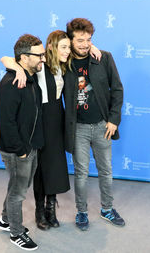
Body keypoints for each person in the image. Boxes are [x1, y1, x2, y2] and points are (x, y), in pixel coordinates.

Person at [0, 30, 101, 231]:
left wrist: (94, 47)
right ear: (51, 48)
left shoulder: (65, 66)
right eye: (63, 47)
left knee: (54, 166)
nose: (68, 50)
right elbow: (6, 58)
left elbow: (83, 52)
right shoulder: (38, 64)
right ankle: (39, 211)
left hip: (57, 120)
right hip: (39, 120)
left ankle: (51, 209)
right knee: (38, 169)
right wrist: (16, 68)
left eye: (68, 47)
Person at [63, 18, 125, 231]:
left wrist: (113, 120)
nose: (85, 44)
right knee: (81, 173)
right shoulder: (63, 62)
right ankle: (81, 212)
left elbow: (117, 89)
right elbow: (48, 47)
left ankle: (107, 209)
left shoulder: (104, 58)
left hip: (102, 126)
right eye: (79, 40)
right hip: (77, 128)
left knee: (106, 170)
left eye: (89, 40)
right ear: (70, 40)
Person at [0, 34, 45, 251]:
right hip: (18, 150)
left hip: (30, 145)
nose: (43, 59)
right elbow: (6, 123)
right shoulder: (12, 83)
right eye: (39, 55)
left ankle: (5, 219)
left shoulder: (30, 78)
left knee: (17, 185)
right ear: (24, 58)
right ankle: (16, 232)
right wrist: (21, 151)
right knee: (18, 192)